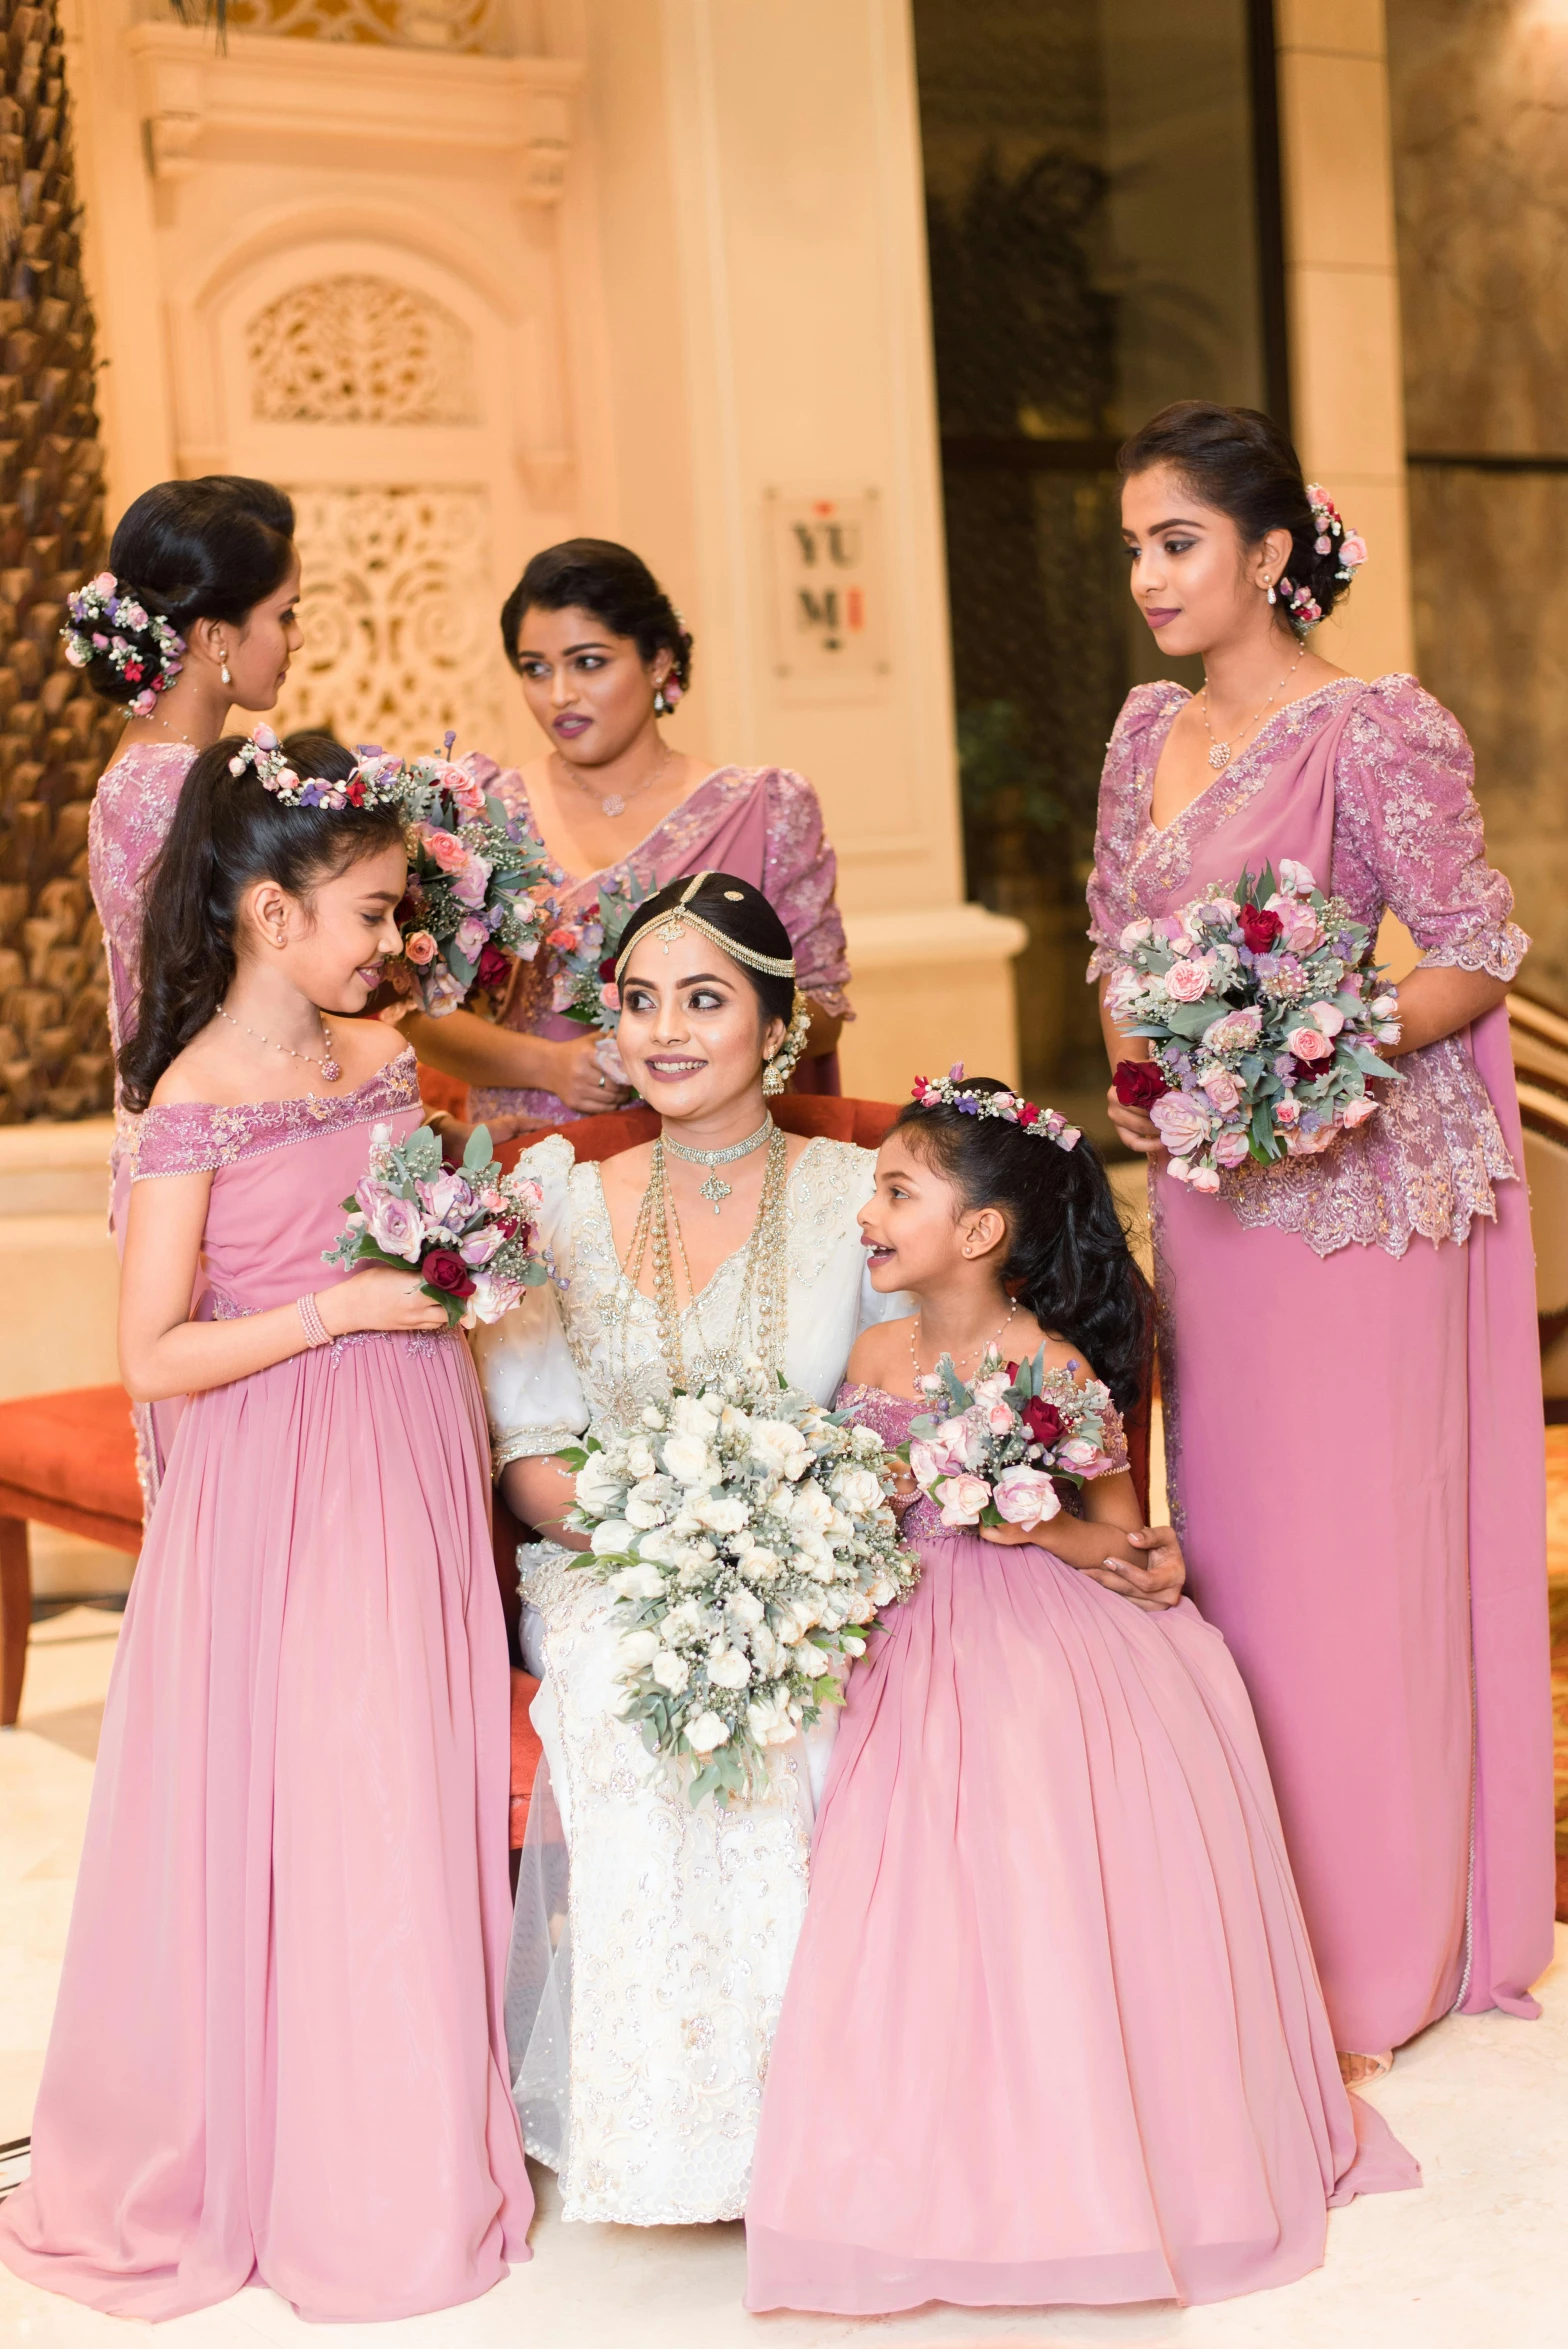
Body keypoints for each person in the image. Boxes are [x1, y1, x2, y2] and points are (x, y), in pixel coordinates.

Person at [0, 733, 531, 2321]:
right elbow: (154, 1352)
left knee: (404, 1784)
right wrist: (342, 1313)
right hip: (284, 1468)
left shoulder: (378, 1060)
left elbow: (416, 1220)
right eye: (369, 912)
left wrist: (453, 1268)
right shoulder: (190, 1102)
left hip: (411, 1446)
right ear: (265, 914)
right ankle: (293, 2156)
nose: (391, 943)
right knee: (327, 1786)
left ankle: (403, 2138)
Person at [745, 1076, 1418, 2317]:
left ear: (982, 1229)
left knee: (1013, 1802)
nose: (868, 1214)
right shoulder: (874, 1350)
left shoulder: (1046, 1364)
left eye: (896, 1190)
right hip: (897, 1616)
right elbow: (852, 1490)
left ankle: (1062, 2152)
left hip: (1026, 1626)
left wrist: (1022, 1522)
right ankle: (925, 2148)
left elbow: (1119, 1542)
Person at [1088, 401, 1554, 2077]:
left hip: (1355, 1209)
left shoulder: (1376, 727)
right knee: (1243, 1556)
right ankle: (1260, 1930)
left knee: (1359, 1563)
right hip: (1210, 1204)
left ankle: (1385, 1938)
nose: (1143, 574)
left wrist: (1310, 1055)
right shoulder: (1143, 732)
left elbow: (1476, 946)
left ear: (1268, 552)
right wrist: (1155, 1081)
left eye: (1175, 539)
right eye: (1133, 543)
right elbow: (1112, 942)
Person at [471, 871, 903, 2225]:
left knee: (814, 1708)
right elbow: (530, 1454)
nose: (666, 1030)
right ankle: (672, 2133)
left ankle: (836, 2115)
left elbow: (908, 1397)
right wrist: (659, 1546)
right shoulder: (556, 1199)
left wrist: (788, 1549)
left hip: (818, 1561)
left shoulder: (861, 1194)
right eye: (642, 1000)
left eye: (704, 1000)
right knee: (624, 1692)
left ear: (777, 1027)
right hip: (607, 1568)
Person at [404, 539, 852, 1124]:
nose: (560, 694)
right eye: (536, 669)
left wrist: (687, 1027)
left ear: (658, 659)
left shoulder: (764, 810)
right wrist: (548, 1065)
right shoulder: (477, 809)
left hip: (708, 1149)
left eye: (588, 662)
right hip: (534, 1158)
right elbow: (415, 1017)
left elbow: (823, 1011)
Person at [78, 474, 303, 1505]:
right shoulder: (186, 788)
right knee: (252, 1479)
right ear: (215, 636)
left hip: (179, 1146)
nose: (292, 641)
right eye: (283, 616)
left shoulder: (145, 770)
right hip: (222, 1163)